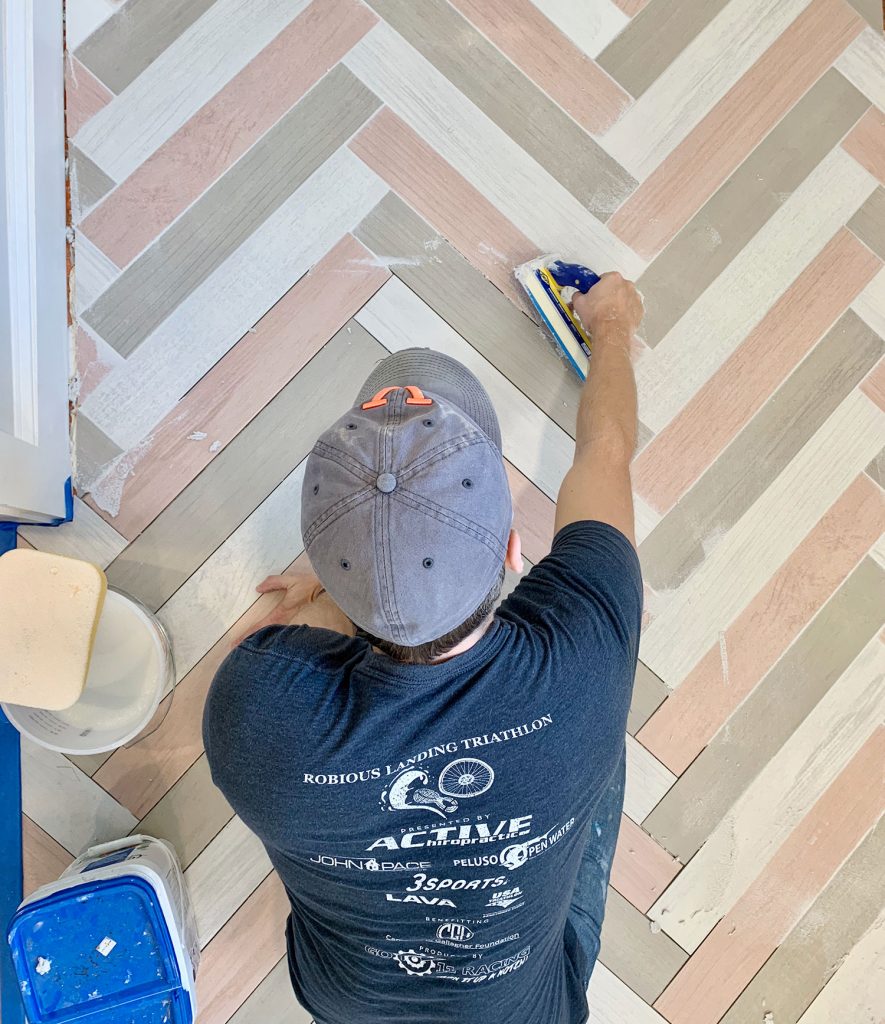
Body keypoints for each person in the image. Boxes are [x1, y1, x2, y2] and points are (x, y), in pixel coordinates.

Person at [203, 272, 645, 1024]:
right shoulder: (584, 651)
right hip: (526, 1008)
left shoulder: (252, 712)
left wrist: (353, 564)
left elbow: (296, 652)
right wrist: (611, 324)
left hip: (345, 997)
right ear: (514, 549)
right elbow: (604, 454)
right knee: (594, 738)